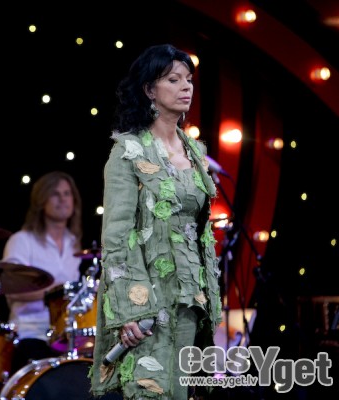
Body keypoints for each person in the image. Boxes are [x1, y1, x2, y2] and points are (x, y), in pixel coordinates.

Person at [90, 44, 222, 400]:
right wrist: (131, 310)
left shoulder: (195, 152)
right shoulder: (128, 151)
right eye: (173, 79)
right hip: (148, 302)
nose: (186, 87)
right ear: (150, 89)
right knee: (152, 391)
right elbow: (117, 239)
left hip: (190, 298)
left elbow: (200, 232)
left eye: (189, 79)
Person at [2, 171, 85, 375]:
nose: (63, 199)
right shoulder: (22, 240)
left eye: (67, 193)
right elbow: (11, 288)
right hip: (29, 334)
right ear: (41, 200)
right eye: (55, 194)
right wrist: (56, 292)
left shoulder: (74, 244)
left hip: (66, 338)